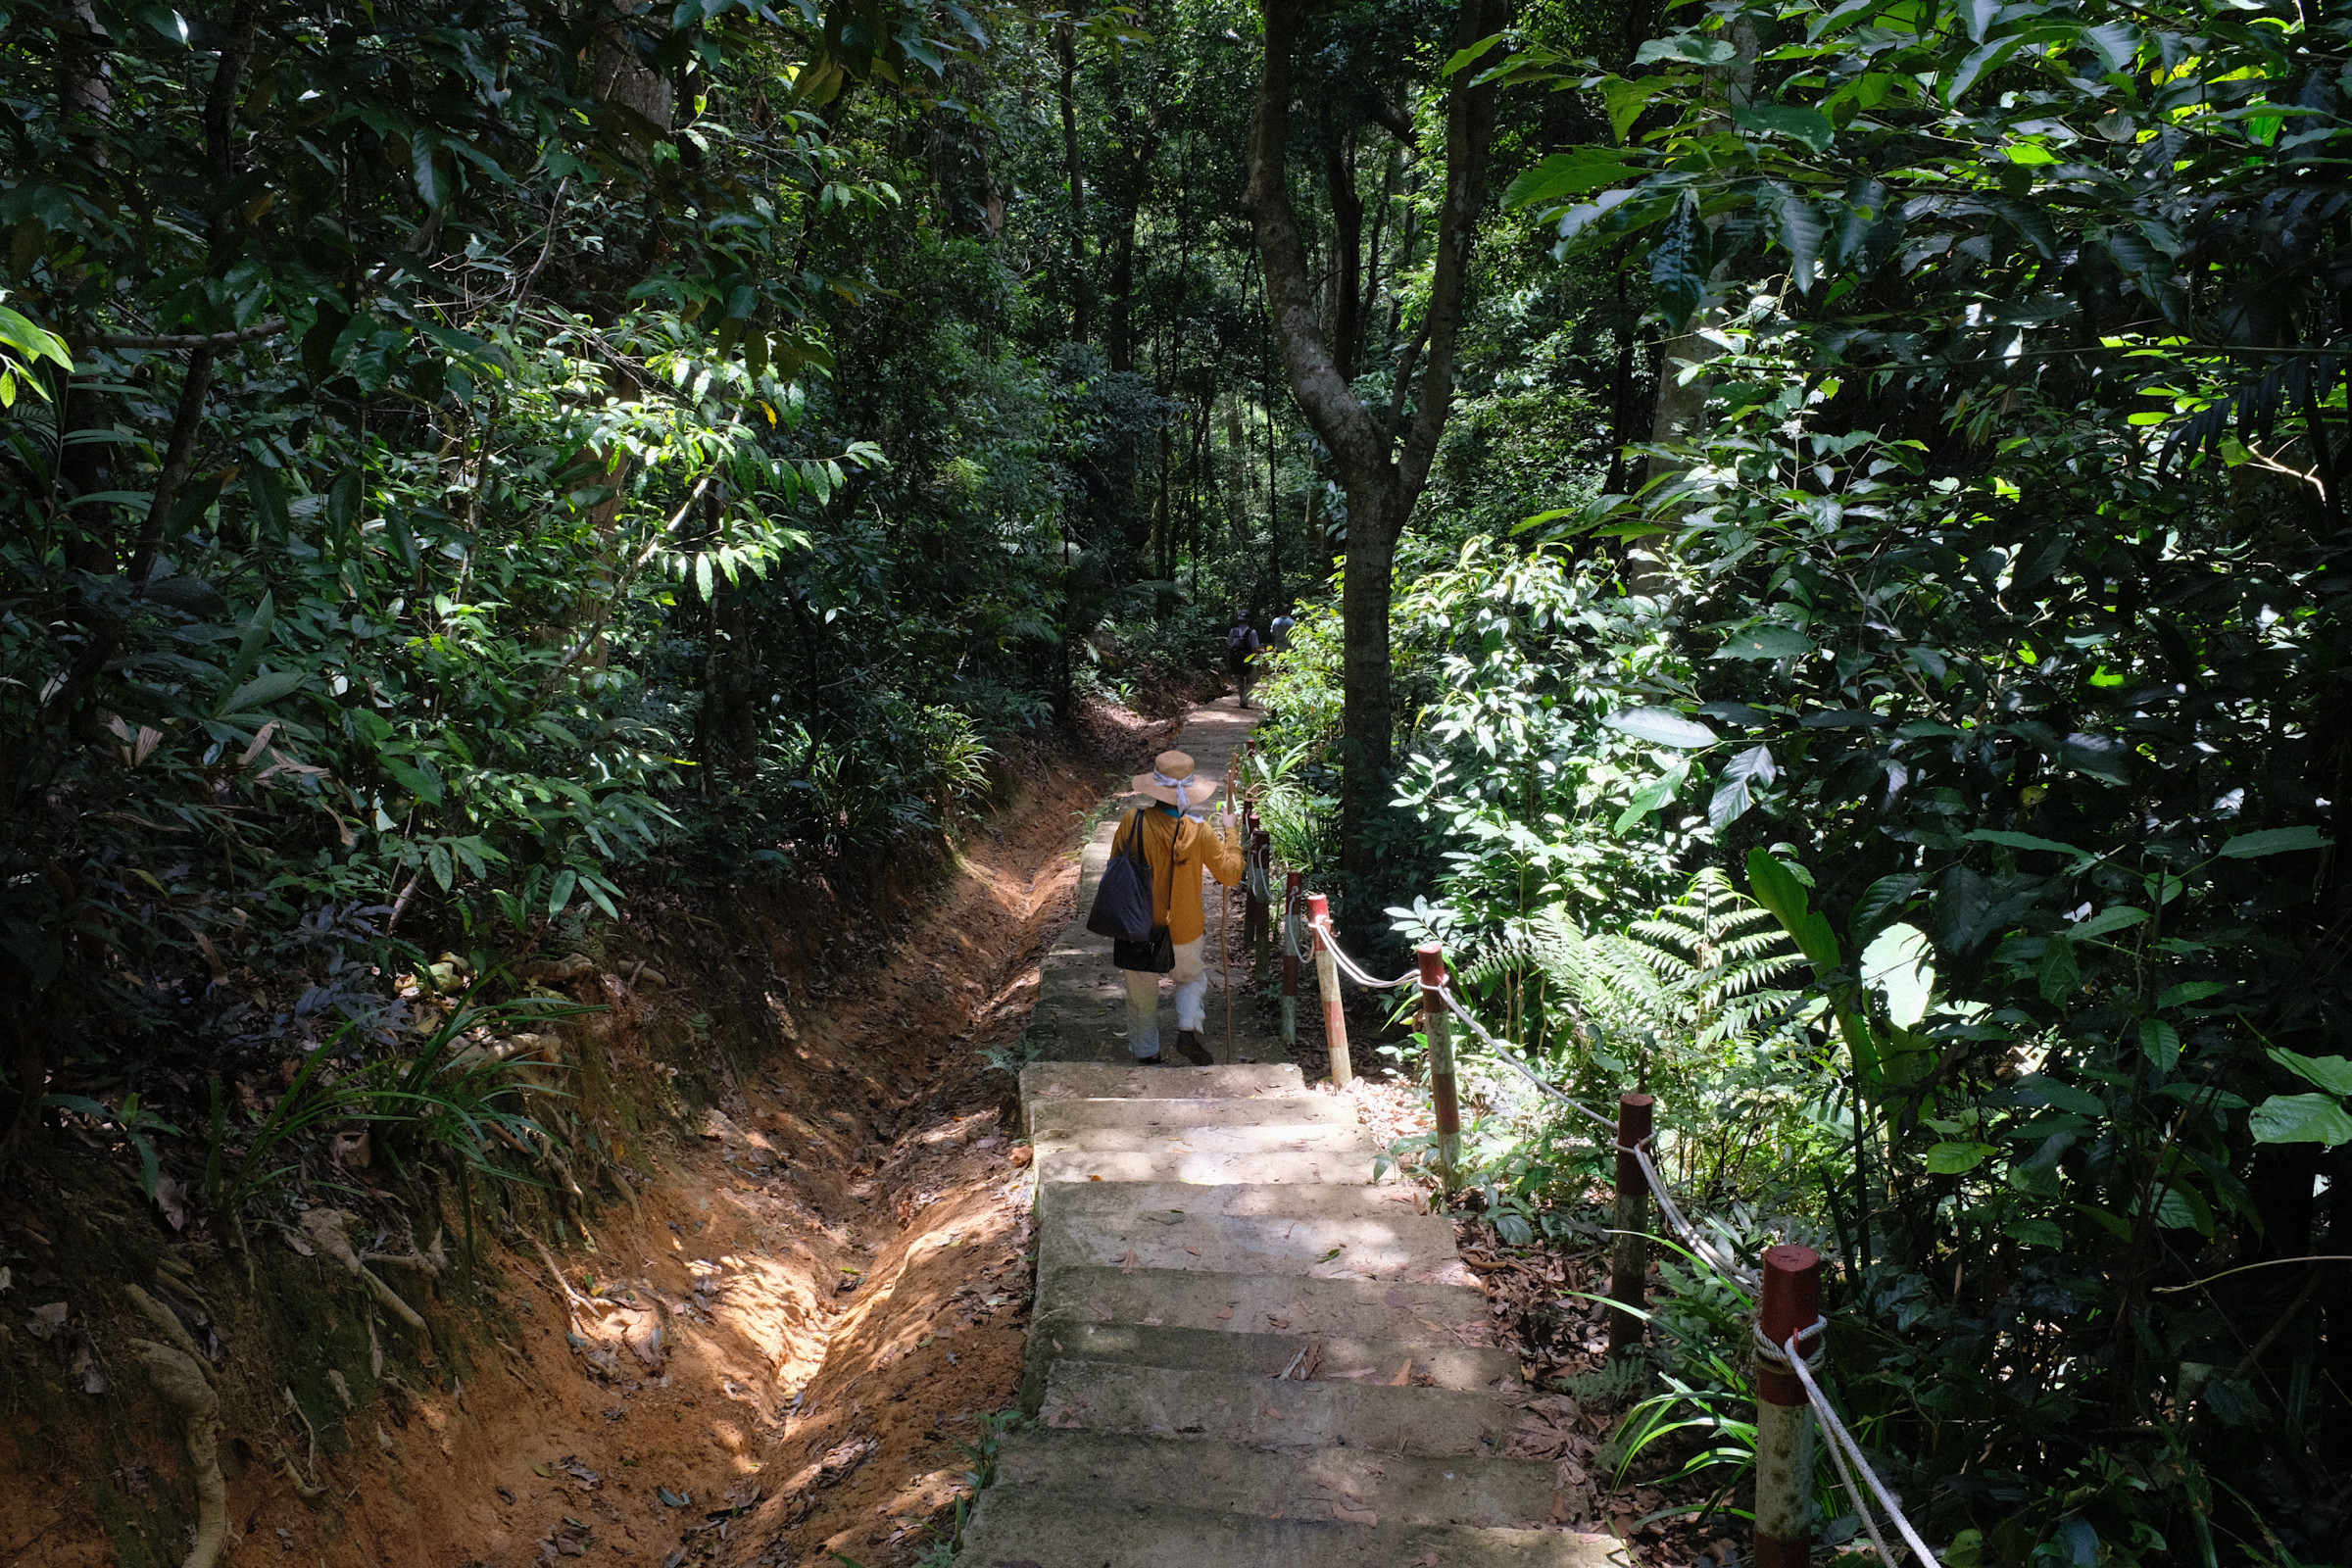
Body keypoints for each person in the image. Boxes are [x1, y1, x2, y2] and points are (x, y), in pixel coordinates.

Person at [1111, 750, 1245, 1066]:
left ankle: (1147, 1053)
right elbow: (1230, 873)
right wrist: (1231, 831)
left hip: (1138, 925)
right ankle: (1187, 1028)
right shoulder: (1199, 831)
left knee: (1141, 993)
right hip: (1184, 928)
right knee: (1191, 979)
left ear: (1155, 789)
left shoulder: (1133, 822)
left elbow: (1116, 865)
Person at [1225, 612, 1262, 707]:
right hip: (1249, 659)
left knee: (1240, 680)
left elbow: (1229, 644)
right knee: (1251, 680)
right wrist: (1261, 651)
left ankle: (1242, 699)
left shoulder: (1233, 631)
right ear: (1248, 620)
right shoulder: (1252, 632)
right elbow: (1254, 648)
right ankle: (1244, 700)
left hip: (1236, 659)